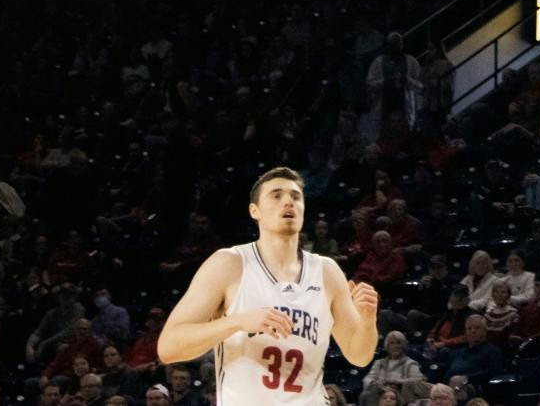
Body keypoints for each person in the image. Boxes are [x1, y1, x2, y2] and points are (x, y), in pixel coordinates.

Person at [158, 167, 380, 406]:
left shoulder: (327, 272)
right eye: (276, 195)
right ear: (255, 211)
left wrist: (367, 320)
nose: (288, 201)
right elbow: (169, 347)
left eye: (296, 197)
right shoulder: (229, 264)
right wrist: (238, 321)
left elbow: (359, 356)